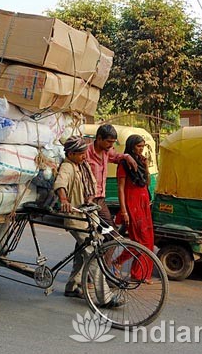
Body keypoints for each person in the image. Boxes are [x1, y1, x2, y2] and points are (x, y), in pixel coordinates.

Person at [54, 135, 122, 307]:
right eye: (81, 154)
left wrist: (91, 199)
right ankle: (105, 297)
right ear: (70, 153)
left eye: (85, 153)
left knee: (81, 252)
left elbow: (91, 184)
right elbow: (61, 183)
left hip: (88, 215)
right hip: (76, 217)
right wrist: (64, 200)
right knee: (92, 253)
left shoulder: (82, 165)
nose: (85, 156)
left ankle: (71, 286)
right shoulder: (68, 167)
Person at [112, 134, 154, 283]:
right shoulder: (124, 163)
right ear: (131, 146)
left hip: (143, 203)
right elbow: (121, 188)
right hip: (132, 204)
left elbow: (146, 182)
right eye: (138, 146)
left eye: (143, 146)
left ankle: (140, 274)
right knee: (138, 241)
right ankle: (118, 262)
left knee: (148, 240)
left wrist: (146, 166)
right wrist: (124, 211)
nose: (141, 149)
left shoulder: (141, 161)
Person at [86, 124, 137, 227]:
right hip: (86, 198)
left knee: (110, 230)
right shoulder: (85, 153)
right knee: (90, 230)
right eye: (109, 142)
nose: (111, 145)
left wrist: (127, 157)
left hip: (100, 198)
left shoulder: (107, 151)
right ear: (99, 138)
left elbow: (117, 157)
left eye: (113, 142)